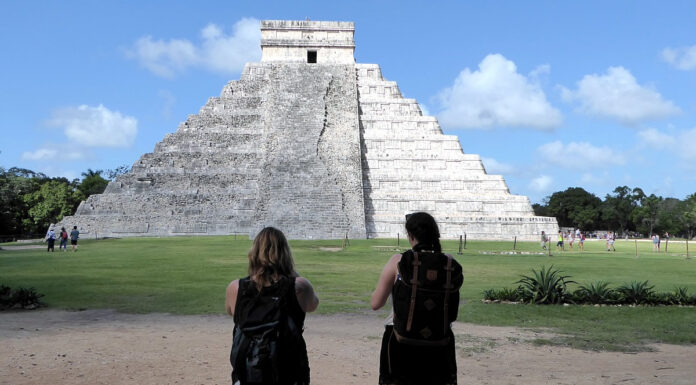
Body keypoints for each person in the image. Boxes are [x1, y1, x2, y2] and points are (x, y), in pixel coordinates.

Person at [371, 212, 463, 385]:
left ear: (411, 235)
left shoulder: (398, 261)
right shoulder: (449, 264)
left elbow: (376, 303)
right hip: (439, 342)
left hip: (401, 341)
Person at [225, 227, 319, 385]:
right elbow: (313, 305)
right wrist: (290, 272)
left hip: (247, 374)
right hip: (288, 373)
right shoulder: (300, 287)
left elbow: (231, 311)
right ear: (285, 253)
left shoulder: (235, 288)